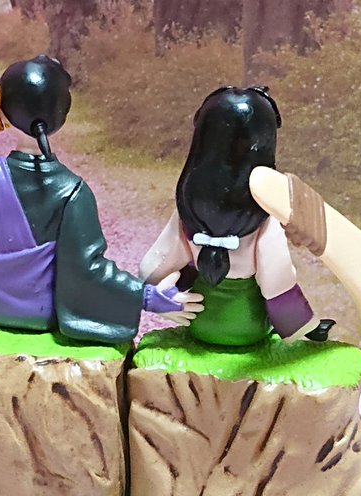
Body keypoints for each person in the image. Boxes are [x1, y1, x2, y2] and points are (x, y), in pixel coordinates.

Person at [0, 56, 201, 344]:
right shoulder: (74, 192)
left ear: (2, 115)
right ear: (61, 118)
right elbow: (88, 269)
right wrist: (145, 296)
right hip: (44, 314)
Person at [139, 86, 335, 347]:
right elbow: (277, 284)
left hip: (201, 319)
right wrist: (307, 326)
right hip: (247, 324)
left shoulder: (189, 208)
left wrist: (160, 297)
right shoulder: (264, 218)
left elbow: (155, 265)